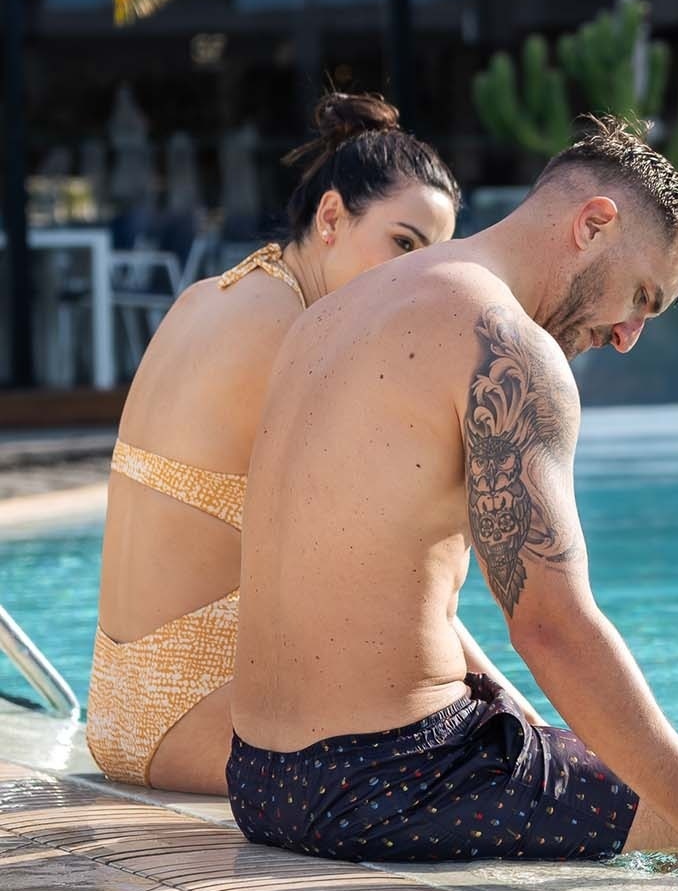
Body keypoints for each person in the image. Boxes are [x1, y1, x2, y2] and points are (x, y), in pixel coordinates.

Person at [228, 117, 678, 883]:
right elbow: (551, 626)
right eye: (642, 297)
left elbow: (388, 583)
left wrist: (519, 716)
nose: (629, 335)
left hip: (261, 779)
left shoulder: (327, 315)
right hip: (388, 781)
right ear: (593, 223)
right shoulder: (505, 346)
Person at [88, 93, 462, 795]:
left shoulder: (209, 297)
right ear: (330, 217)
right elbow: (395, 581)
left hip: (119, 715)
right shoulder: (302, 344)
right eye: (403, 244)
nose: (413, 278)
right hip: (207, 727)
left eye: (429, 261)